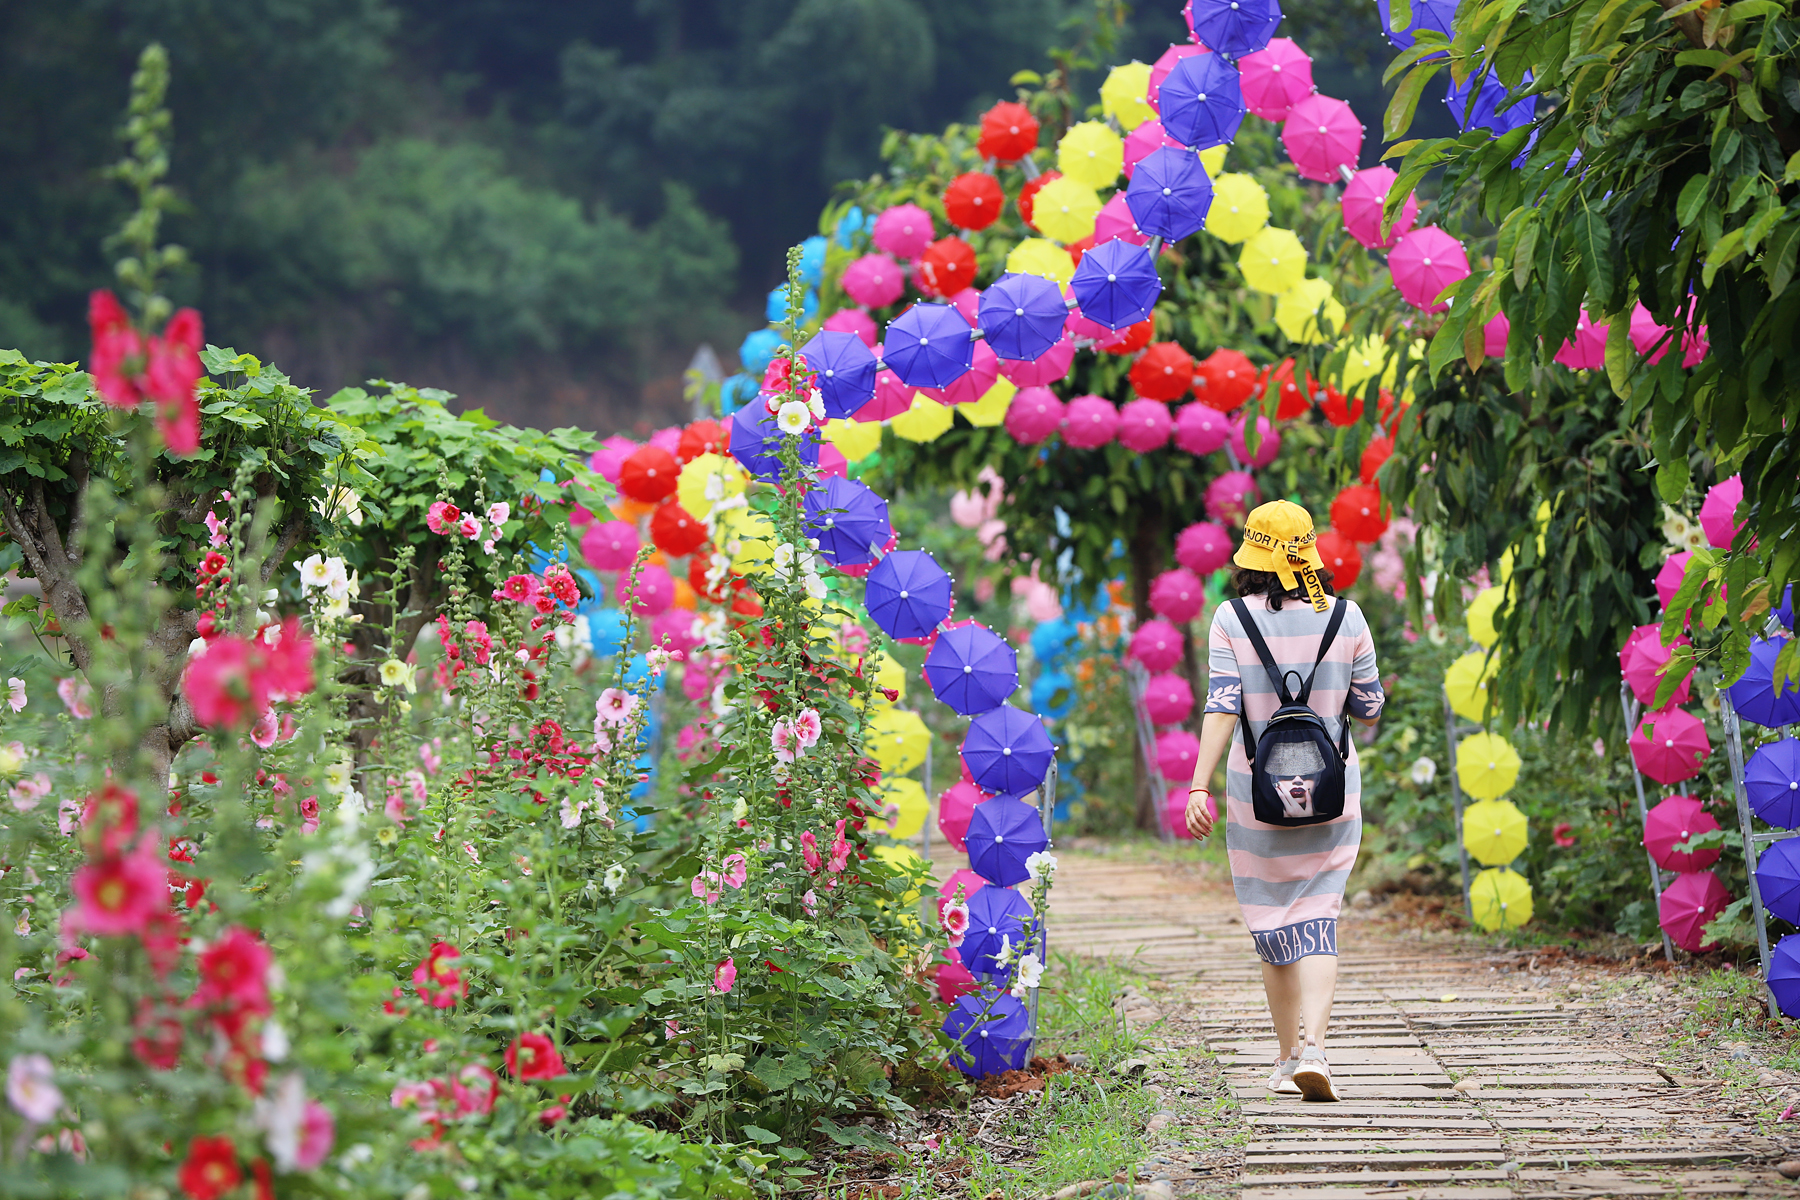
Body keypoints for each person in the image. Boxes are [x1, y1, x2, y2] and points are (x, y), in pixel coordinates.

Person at [1184, 499, 1384, 1102]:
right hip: (1332, 793)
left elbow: (1222, 705)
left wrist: (1199, 784)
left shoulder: (1229, 619)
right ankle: (1317, 1049)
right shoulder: (1347, 616)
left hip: (1257, 797)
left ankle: (1286, 1056)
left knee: (1272, 922)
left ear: (1250, 556)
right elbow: (1369, 707)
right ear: (1310, 554)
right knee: (1320, 915)